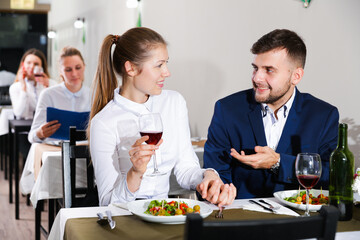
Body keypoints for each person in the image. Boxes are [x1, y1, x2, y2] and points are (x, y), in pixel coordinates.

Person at [88, 27, 236, 206]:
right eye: (159, 65)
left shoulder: (174, 102)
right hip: (126, 217)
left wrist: (208, 176)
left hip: (165, 213)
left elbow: (185, 169)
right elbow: (108, 202)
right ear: (131, 68)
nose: (167, 72)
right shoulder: (103, 123)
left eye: (166, 63)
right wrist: (135, 173)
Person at [204, 29, 339, 199]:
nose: (257, 78)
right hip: (241, 217)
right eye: (255, 68)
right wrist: (216, 187)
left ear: (296, 76)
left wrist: (278, 162)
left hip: (300, 220)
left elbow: (332, 175)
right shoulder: (227, 109)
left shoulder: (323, 115)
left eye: (269, 70)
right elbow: (215, 169)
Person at [27, 46, 91, 143]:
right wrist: (40, 133)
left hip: (84, 152)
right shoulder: (48, 94)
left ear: (84, 67)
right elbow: (32, 137)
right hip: (54, 151)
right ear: (60, 71)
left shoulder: (94, 95)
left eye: (78, 68)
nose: (74, 74)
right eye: (68, 70)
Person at [9, 48, 57, 119]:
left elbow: (55, 111)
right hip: (24, 128)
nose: (32, 67)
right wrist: (23, 88)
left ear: (42, 67)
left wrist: (47, 88)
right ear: (23, 65)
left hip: (46, 126)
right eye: (28, 63)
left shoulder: (52, 84)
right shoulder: (16, 87)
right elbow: (20, 113)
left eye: (36, 64)